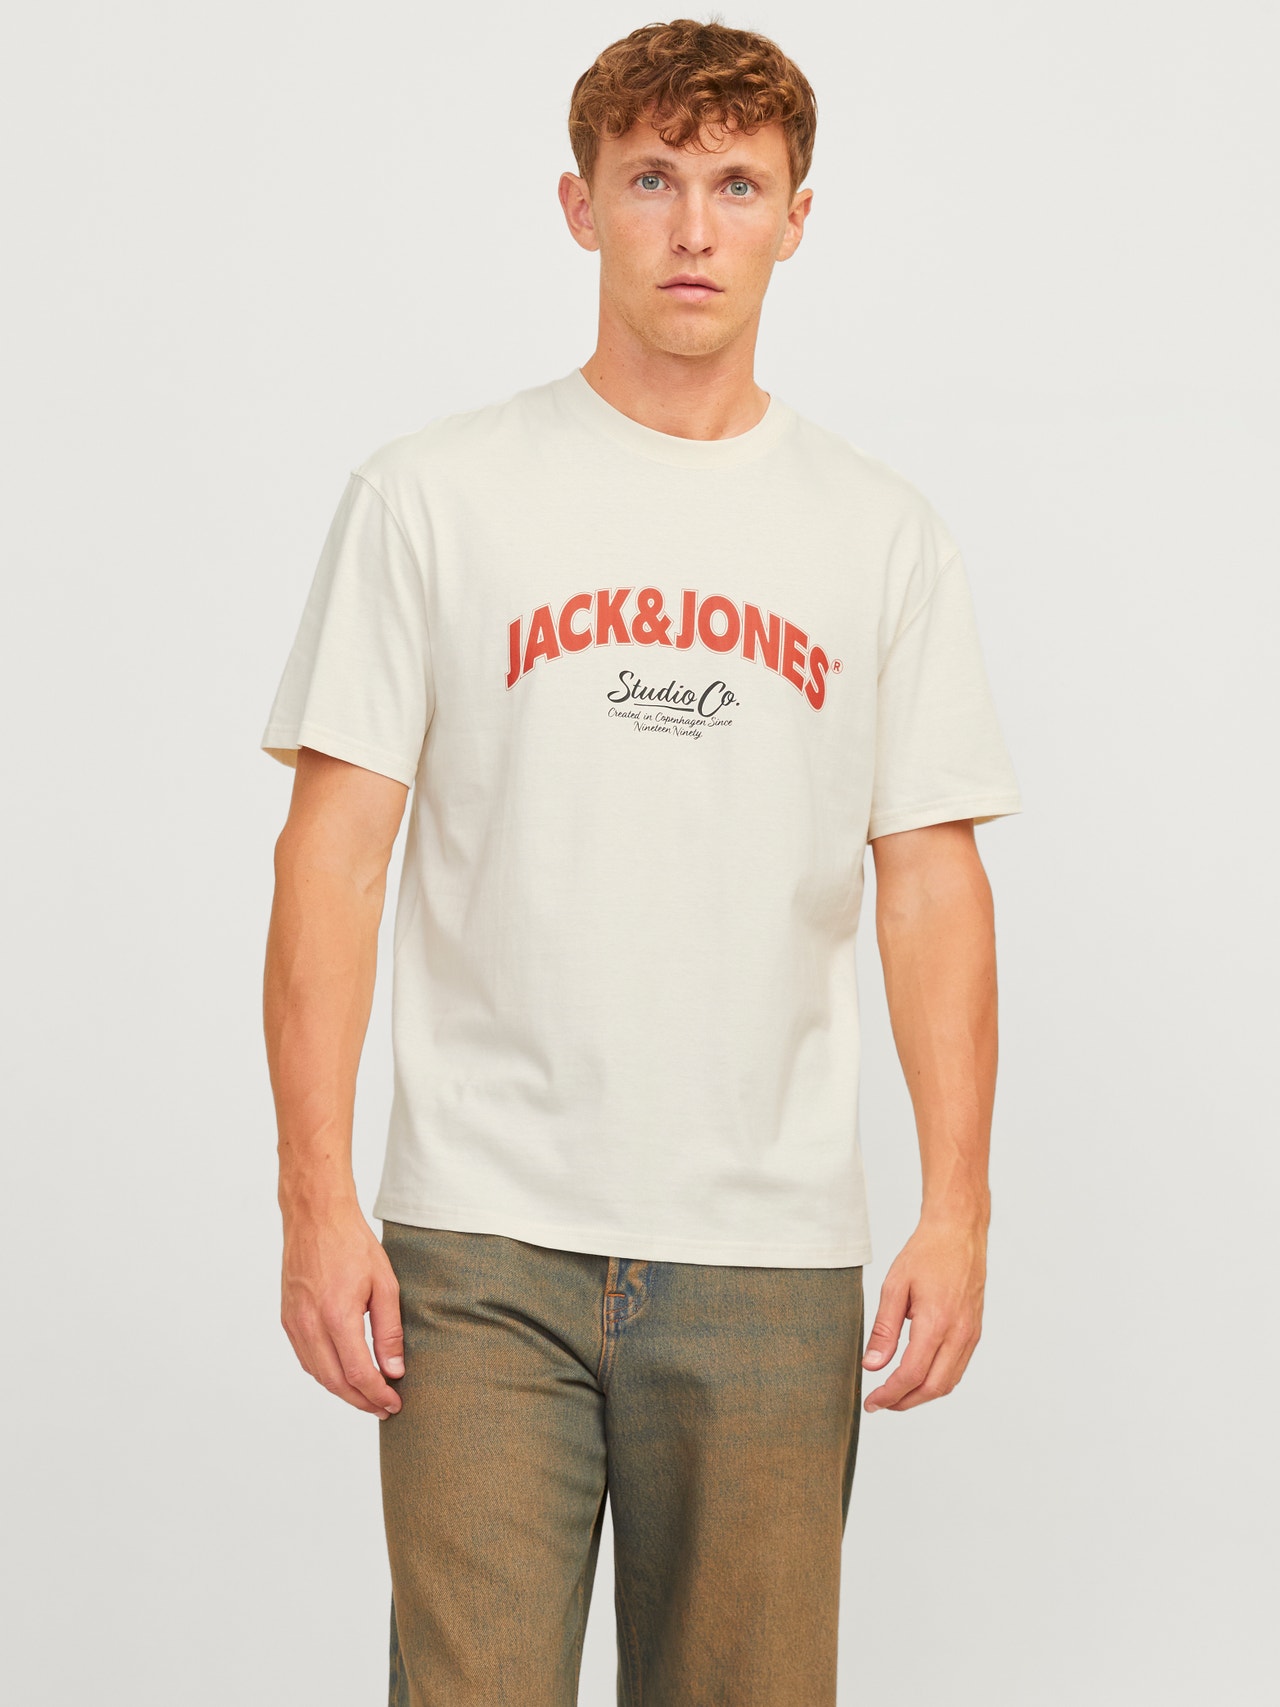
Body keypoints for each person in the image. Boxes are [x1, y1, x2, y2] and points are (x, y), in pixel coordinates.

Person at [260, 17, 1023, 1706]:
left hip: (768, 1250)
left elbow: (931, 885)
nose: (693, 227)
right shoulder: (432, 497)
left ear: (797, 220)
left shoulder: (880, 535)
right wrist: (316, 1198)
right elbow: (332, 860)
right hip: (478, 1245)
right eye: (653, 178)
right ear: (580, 204)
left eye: (737, 185)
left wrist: (957, 1209)